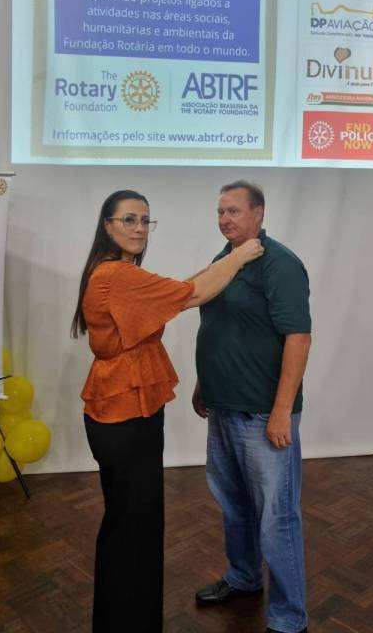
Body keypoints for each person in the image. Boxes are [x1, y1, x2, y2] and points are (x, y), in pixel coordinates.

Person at [70, 189, 264, 633]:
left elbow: (180, 291)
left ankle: (126, 620)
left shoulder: (120, 273)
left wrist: (221, 265)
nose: (139, 228)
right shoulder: (116, 275)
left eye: (145, 220)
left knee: (131, 523)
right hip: (124, 413)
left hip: (125, 409)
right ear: (107, 226)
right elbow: (193, 294)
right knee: (132, 525)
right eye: (129, 220)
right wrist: (239, 256)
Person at [192, 180, 312, 633]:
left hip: (262, 414)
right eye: (220, 211)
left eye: (234, 211)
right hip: (223, 408)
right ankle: (243, 577)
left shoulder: (280, 264)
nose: (224, 219)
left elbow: (298, 338)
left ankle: (289, 617)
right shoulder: (223, 261)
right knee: (235, 505)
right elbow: (218, 327)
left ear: (259, 214)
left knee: (276, 517)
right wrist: (204, 384)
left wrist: (282, 411)